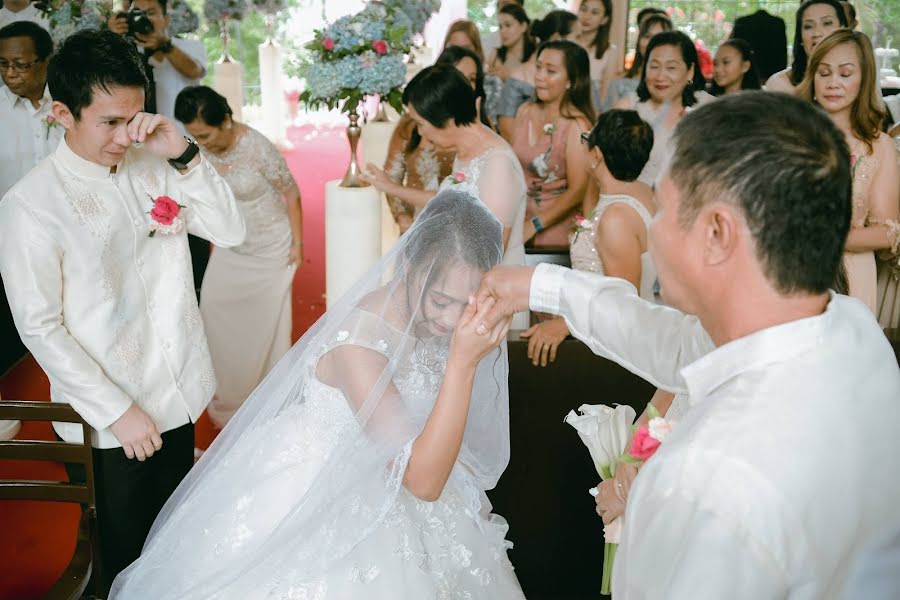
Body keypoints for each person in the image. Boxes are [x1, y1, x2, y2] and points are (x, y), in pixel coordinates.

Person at [472, 91, 900, 598]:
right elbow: (674, 344)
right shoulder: (849, 326)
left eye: (665, 208)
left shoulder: (706, 481)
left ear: (718, 232)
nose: (651, 226)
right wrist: (541, 285)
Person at [110, 190, 524, 599]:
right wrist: (463, 362)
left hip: (418, 470)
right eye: (440, 300)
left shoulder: (438, 322)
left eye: (466, 304)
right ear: (407, 263)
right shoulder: (360, 348)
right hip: (326, 493)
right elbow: (420, 482)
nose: (452, 320)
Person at [0, 29, 245, 592]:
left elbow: (230, 231)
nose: (125, 135)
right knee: (127, 562)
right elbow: (39, 326)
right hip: (111, 417)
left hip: (180, 387)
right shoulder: (31, 207)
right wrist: (115, 410)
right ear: (63, 113)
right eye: (109, 122)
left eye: (134, 117)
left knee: (177, 542)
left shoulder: (154, 162)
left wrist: (183, 154)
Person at [174, 85, 303, 429]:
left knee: (267, 322)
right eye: (193, 135)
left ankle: (264, 392)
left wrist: (298, 243)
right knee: (212, 306)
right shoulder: (198, 149)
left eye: (206, 134)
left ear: (227, 120)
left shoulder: (257, 148)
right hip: (231, 244)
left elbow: (291, 193)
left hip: (270, 242)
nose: (202, 142)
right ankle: (229, 390)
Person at [521, 109, 655, 367]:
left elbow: (624, 302)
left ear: (596, 155)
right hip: (599, 335)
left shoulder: (617, 219)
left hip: (614, 350)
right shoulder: (639, 193)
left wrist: (567, 324)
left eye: (587, 140)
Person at [798, 30, 899, 315]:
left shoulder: (878, 146)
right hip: (792, 267)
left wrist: (829, 239)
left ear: (863, 79)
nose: (833, 83)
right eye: (824, 73)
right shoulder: (789, 134)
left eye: (845, 74)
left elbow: (889, 232)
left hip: (852, 277)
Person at [361, 47, 486, 233]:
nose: (465, 85)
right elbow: (393, 176)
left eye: (472, 79)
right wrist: (403, 219)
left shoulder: (483, 135)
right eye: (458, 76)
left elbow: (464, 202)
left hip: (460, 237)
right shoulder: (411, 124)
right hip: (414, 229)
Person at [512, 40, 593, 248]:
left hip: (553, 228)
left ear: (571, 81)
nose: (539, 76)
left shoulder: (577, 125)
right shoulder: (525, 111)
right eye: (538, 68)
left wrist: (534, 225)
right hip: (517, 219)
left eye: (551, 71)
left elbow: (578, 190)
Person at [614, 30, 712, 187]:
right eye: (654, 66)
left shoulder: (707, 109)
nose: (660, 76)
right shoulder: (628, 108)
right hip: (634, 205)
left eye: (671, 68)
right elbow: (601, 169)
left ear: (690, 71)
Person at [107, 0, 206, 124]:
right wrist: (112, 38)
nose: (143, 18)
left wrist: (165, 45)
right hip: (138, 137)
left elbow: (194, 71)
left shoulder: (189, 45)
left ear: (166, 19)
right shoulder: (124, 52)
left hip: (182, 135)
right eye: (137, 13)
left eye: (150, 13)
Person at [0, 21, 59, 198]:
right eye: (3, 64)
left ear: (46, 62)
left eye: (21, 65)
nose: (9, 73)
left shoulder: (71, 103)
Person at [765, 0, 846, 93]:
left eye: (827, 23)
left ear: (843, 29)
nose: (817, 33)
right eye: (808, 26)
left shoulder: (861, 78)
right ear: (800, 37)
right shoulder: (780, 84)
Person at [601, 13, 672, 111]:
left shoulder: (675, 84)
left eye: (659, 37)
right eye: (647, 36)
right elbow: (607, 121)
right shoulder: (620, 83)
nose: (652, 42)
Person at [489, 3, 537, 142]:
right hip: (494, 125)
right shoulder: (495, 55)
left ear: (523, 26)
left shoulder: (536, 56)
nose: (503, 31)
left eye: (508, 25)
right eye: (500, 27)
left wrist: (509, 76)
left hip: (526, 126)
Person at [573, 0, 617, 110]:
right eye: (583, 9)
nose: (586, 16)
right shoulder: (567, 42)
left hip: (590, 110)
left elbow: (605, 94)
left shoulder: (610, 51)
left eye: (594, 12)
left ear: (605, 19)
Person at [731, 9, 787, 83]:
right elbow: (782, 53)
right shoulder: (778, 23)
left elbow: (734, 50)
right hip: (771, 74)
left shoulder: (741, 22)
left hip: (746, 76)